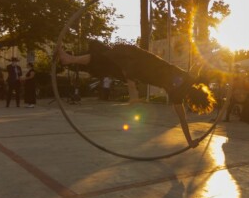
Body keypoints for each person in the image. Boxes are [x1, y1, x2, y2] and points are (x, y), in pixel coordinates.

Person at [57, 40, 215, 148]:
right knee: (106, 59)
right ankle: (70, 59)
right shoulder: (177, 96)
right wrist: (189, 141)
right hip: (139, 70)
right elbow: (182, 120)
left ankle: (70, 59)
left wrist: (210, 53)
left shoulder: (190, 78)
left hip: (143, 60)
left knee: (106, 57)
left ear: (201, 91)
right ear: (193, 102)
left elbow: (198, 64)